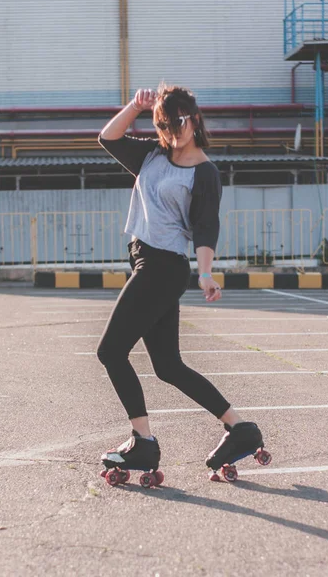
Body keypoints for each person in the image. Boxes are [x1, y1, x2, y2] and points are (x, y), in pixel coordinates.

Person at [97, 83, 267, 484]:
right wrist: (136, 107)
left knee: (110, 351)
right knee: (168, 366)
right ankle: (240, 428)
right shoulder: (151, 155)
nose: (172, 132)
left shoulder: (205, 172)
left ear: (193, 120)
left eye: (177, 123)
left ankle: (144, 441)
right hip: (145, 261)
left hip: (164, 267)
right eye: (164, 125)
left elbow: (206, 227)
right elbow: (108, 138)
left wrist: (206, 272)